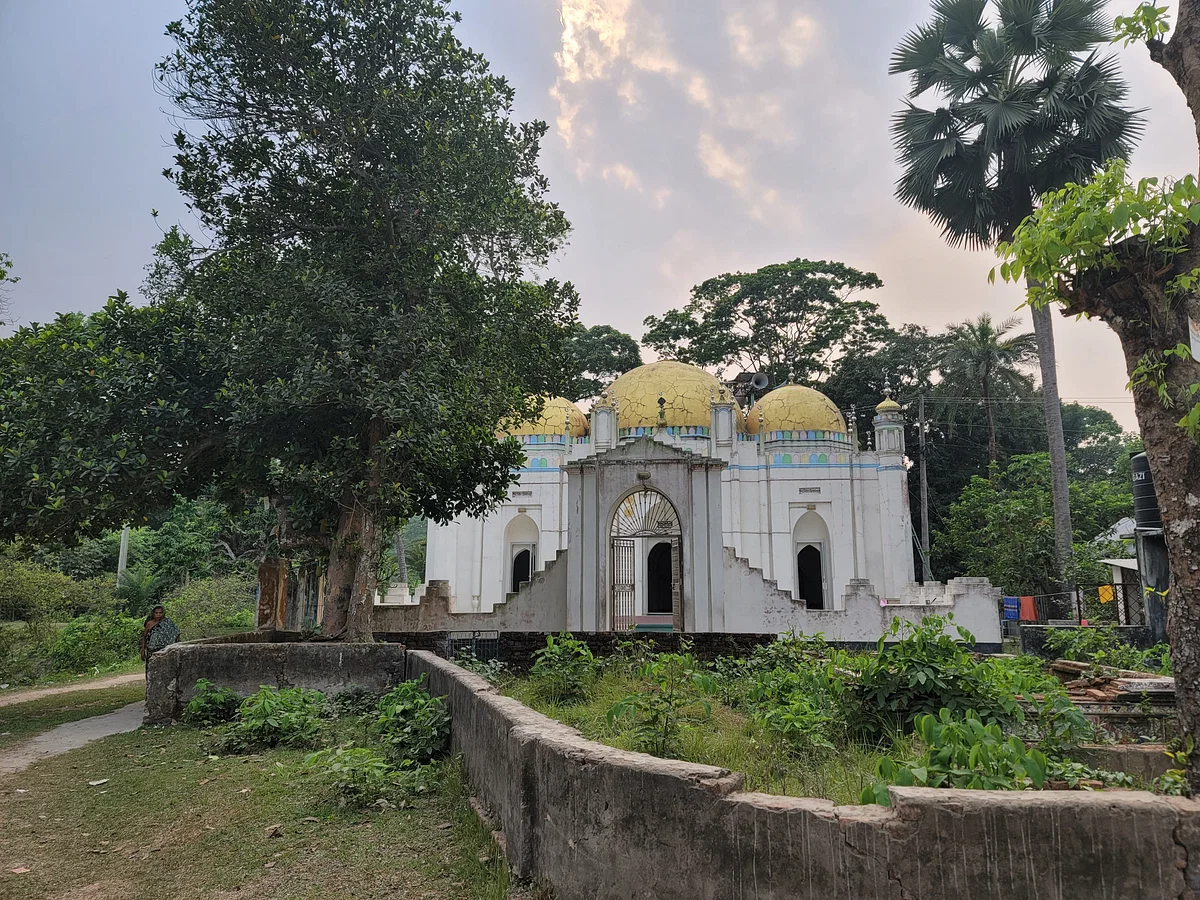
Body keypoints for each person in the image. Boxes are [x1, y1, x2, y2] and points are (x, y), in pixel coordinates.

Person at [140, 605, 180, 671]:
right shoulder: (150, 623)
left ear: (163, 613)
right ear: (153, 613)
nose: (158, 614)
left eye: (160, 613)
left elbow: (176, 634)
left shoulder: (168, 622)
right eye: (156, 613)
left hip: (165, 649)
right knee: (151, 668)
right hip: (152, 649)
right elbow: (144, 637)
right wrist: (142, 650)